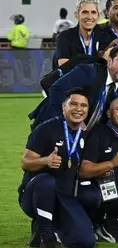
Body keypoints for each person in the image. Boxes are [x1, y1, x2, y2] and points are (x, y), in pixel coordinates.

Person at [21, 88, 93, 248]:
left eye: (83, 105)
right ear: (63, 106)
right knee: (46, 181)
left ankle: (50, 229)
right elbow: (25, 162)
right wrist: (45, 160)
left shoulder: (85, 133)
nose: (78, 109)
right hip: (34, 195)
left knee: (86, 242)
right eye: (73, 104)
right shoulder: (46, 129)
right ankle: (46, 237)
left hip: (64, 196)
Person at [77, 96, 118, 243]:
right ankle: (92, 224)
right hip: (97, 189)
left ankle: (112, 225)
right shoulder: (98, 133)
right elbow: (83, 170)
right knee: (92, 197)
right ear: (108, 114)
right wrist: (111, 163)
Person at [53, 0, 103, 67]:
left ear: (98, 16)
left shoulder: (103, 35)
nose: (89, 17)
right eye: (85, 12)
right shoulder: (65, 37)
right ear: (76, 15)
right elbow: (65, 68)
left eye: (93, 12)